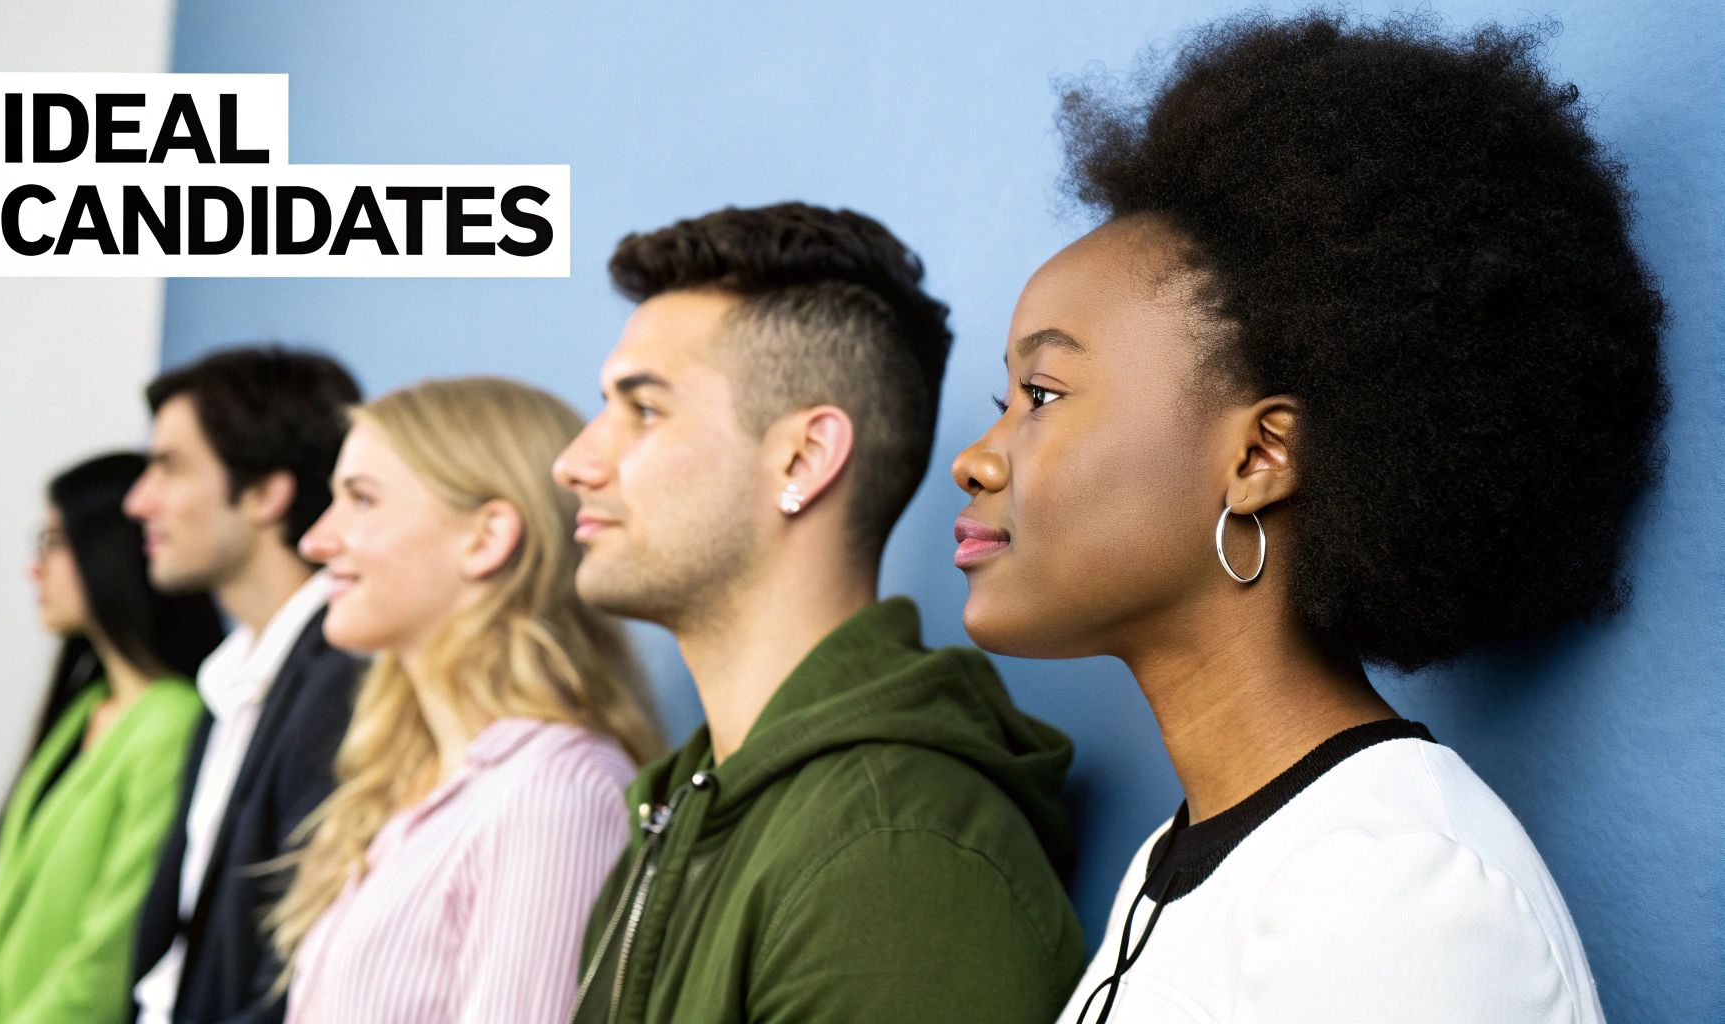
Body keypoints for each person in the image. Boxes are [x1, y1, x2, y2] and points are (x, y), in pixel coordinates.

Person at [948, 13, 1665, 1024]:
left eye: (1042, 394)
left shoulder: (1390, 889)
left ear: (1257, 457)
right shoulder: (1180, 862)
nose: (974, 459)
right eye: (1000, 406)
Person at [553, 202, 1083, 1024]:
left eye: (644, 408)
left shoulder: (896, 854)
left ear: (803, 457)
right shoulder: (688, 806)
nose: (575, 461)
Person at [271, 376, 663, 1023]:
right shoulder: (416, 788)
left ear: (486, 538)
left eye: (361, 500)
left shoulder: (553, 797)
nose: (316, 541)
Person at [124, 346, 367, 1024]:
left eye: (169, 467)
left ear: (265, 493)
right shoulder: (230, 680)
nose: (139, 502)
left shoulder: (342, 683)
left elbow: (291, 974)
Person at [0, 453, 224, 1024]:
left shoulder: (173, 720)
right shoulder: (86, 709)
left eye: (53, 542)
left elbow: (108, 955)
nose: (34, 568)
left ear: (112, 551)